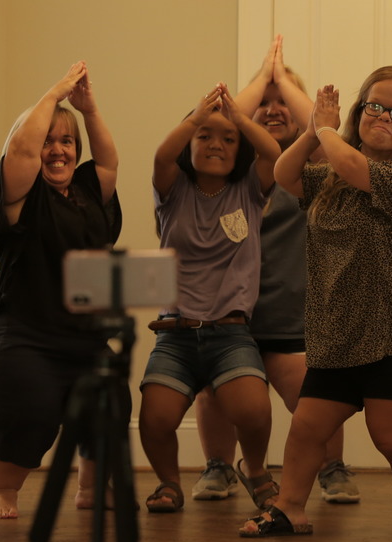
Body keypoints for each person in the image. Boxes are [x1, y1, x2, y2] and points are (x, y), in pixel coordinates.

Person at [240, 66, 392, 540]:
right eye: (374, 106)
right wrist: (311, 132)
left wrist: (325, 129)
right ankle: (289, 508)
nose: (384, 118)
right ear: (359, 111)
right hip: (334, 338)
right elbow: (286, 174)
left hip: (390, 338)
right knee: (307, 431)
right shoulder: (328, 177)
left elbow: (353, 165)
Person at [189, 36, 360, 505]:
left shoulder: (313, 169)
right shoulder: (230, 166)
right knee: (215, 391)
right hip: (228, 316)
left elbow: (330, 138)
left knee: (316, 394)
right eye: (263, 102)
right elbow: (213, 123)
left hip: (293, 317)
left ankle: (333, 467)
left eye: (283, 102)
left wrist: (282, 79)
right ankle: (219, 467)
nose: (273, 108)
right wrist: (262, 81)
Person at [0, 61, 123, 519]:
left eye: (66, 142)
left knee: (111, 397)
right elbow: (18, 154)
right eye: (47, 141)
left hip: (82, 338)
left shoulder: (86, 192)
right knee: (33, 408)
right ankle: (4, 493)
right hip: (24, 338)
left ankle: (89, 488)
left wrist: (89, 109)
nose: (56, 151)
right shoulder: (22, 196)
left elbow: (107, 161)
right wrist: (52, 96)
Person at [139, 82, 282, 514]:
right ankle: (168, 483)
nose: (216, 144)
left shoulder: (249, 192)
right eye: (205, 136)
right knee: (155, 418)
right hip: (175, 334)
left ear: (239, 149)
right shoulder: (173, 189)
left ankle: (254, 469)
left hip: (230, 333)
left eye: (228, 139)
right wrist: (197, 116)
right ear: (192, 140)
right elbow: (162, 156)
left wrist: (239, 117)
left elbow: (274, 155)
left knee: (255, 413)